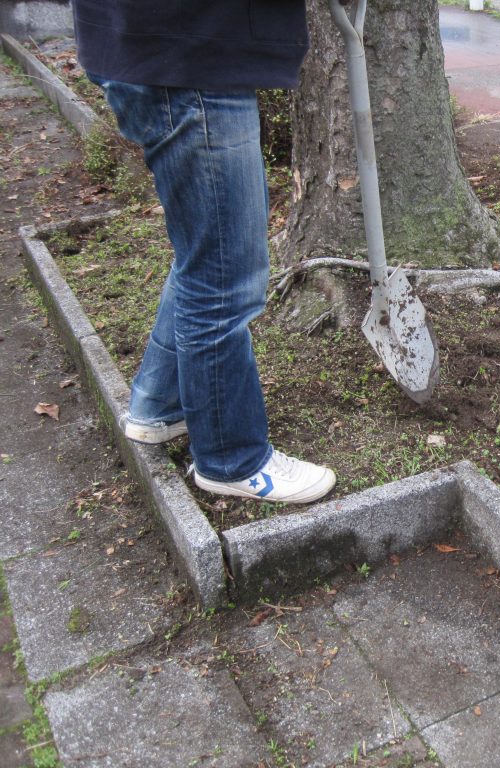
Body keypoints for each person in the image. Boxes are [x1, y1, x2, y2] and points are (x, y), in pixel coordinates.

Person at [71, 0, 336, 504]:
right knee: (224, 279)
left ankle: (157, 407)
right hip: (189, 59)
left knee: (206, 260)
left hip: (156, 47)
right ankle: (232, 460)